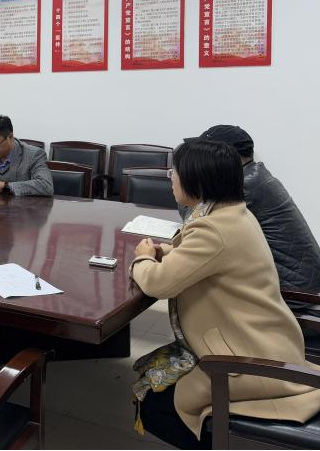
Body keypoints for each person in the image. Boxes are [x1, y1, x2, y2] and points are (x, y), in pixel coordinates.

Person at [131, 140, 320, 450]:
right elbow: (200, 256)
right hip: (266, 340)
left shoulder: (213, 229)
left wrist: (142, 258)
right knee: (157, 382)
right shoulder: (233, 214)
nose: (171, 178)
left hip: (246, 360)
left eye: (174, 172)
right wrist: (165, 251)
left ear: (197, 181)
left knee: (154, 405)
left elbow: (158, 283)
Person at [183, 125, 320, 318]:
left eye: (203, 155)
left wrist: (186, 185)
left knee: (193, 281)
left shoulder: (245, 186)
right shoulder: (255, 176)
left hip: (292, 294)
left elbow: (193, 219)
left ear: (223, 157)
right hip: (302, 283)